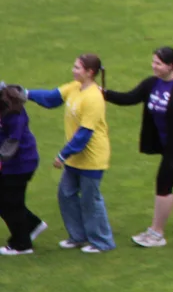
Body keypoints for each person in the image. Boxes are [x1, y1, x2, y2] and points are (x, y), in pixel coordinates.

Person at [104, 47, 173, 247]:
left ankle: (156, 233)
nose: (153, 66)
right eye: (153, 62)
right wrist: (105, 94)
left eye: (158, 63)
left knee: (163, 185)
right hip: (167, 144)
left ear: (170, 66)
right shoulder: (152, 84)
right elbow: (130, 98)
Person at [26, 54, 116, 253]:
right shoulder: (74, 87)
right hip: (76, 158)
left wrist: (62, 155)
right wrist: (25, 93)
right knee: (66, 194)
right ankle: (78, 236)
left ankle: (102, 241)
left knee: (90, 199)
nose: (73, 70)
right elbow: (51, 99)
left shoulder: (93, 97)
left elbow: (84, 134)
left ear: (89, 72)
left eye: (77, 67)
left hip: (92, 158)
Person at [0, 84, 47, 255]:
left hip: (20, 165)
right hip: (10, 164)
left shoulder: (14, 114)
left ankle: (22, 244)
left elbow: (11, 144)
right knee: (7, 203)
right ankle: (33, 225)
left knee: (12, 204)